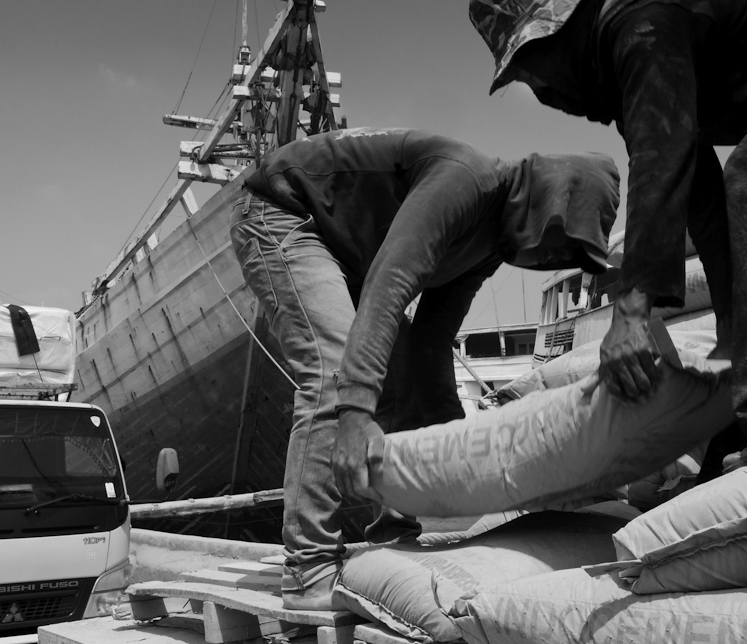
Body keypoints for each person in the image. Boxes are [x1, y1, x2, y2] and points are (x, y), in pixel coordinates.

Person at [469, 0, 747, 474]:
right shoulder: (631, 62)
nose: (541, 92)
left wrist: (632, 316)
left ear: (560, 34)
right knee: (739, 197)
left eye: (530, 71)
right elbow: (701, 205)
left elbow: (662, 164)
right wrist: (737, 351)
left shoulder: (640, 32)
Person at [229, 127, 620, 609]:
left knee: (395, 380)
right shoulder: (465, 182)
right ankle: (307, 568)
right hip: (283, 213)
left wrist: (468, 456)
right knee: (336, 371)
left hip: (350, 253)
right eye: (561, 243)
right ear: (545, 201)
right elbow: (389, 286)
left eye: (566, 257)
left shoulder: (489, 249)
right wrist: (353, 413)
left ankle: (394, 533)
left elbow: (430, 348)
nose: (552, 259)